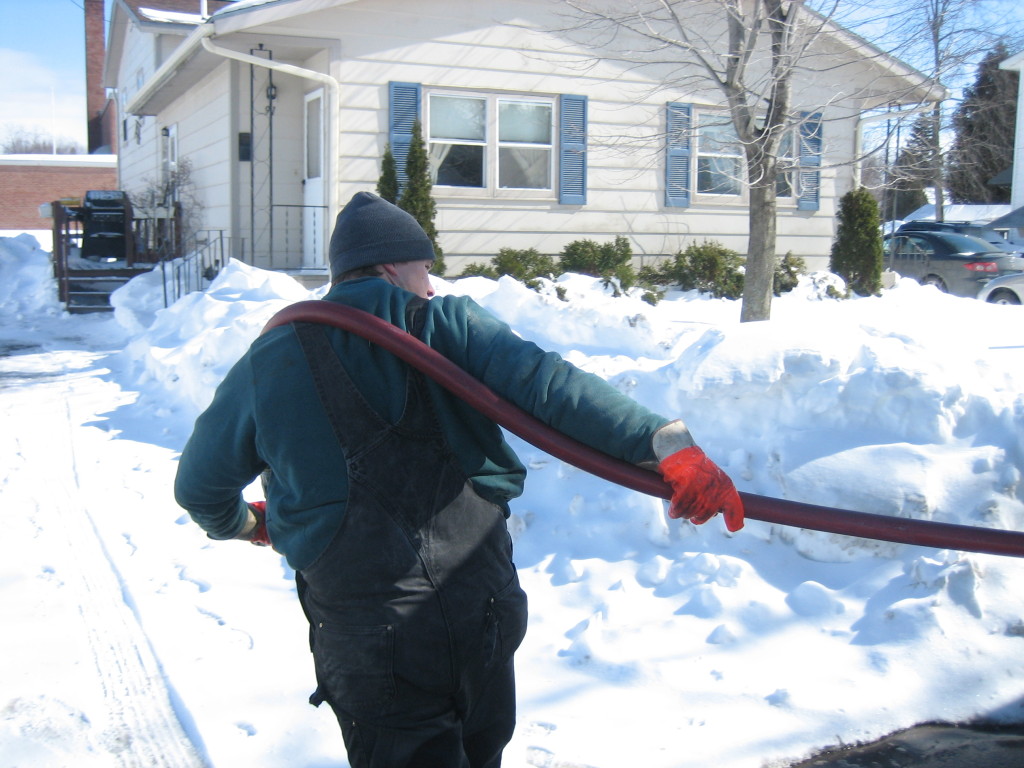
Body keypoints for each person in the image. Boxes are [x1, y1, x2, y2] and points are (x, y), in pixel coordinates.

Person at [174, 191, 743, 768]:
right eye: (426, 267)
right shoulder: (449, 325)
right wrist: (667, 446)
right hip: (482, 611)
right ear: (392, 265)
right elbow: (554, 388)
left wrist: (250, 523)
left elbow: (199, 487)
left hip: (372, 643)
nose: (432, 284)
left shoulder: (272, 357)